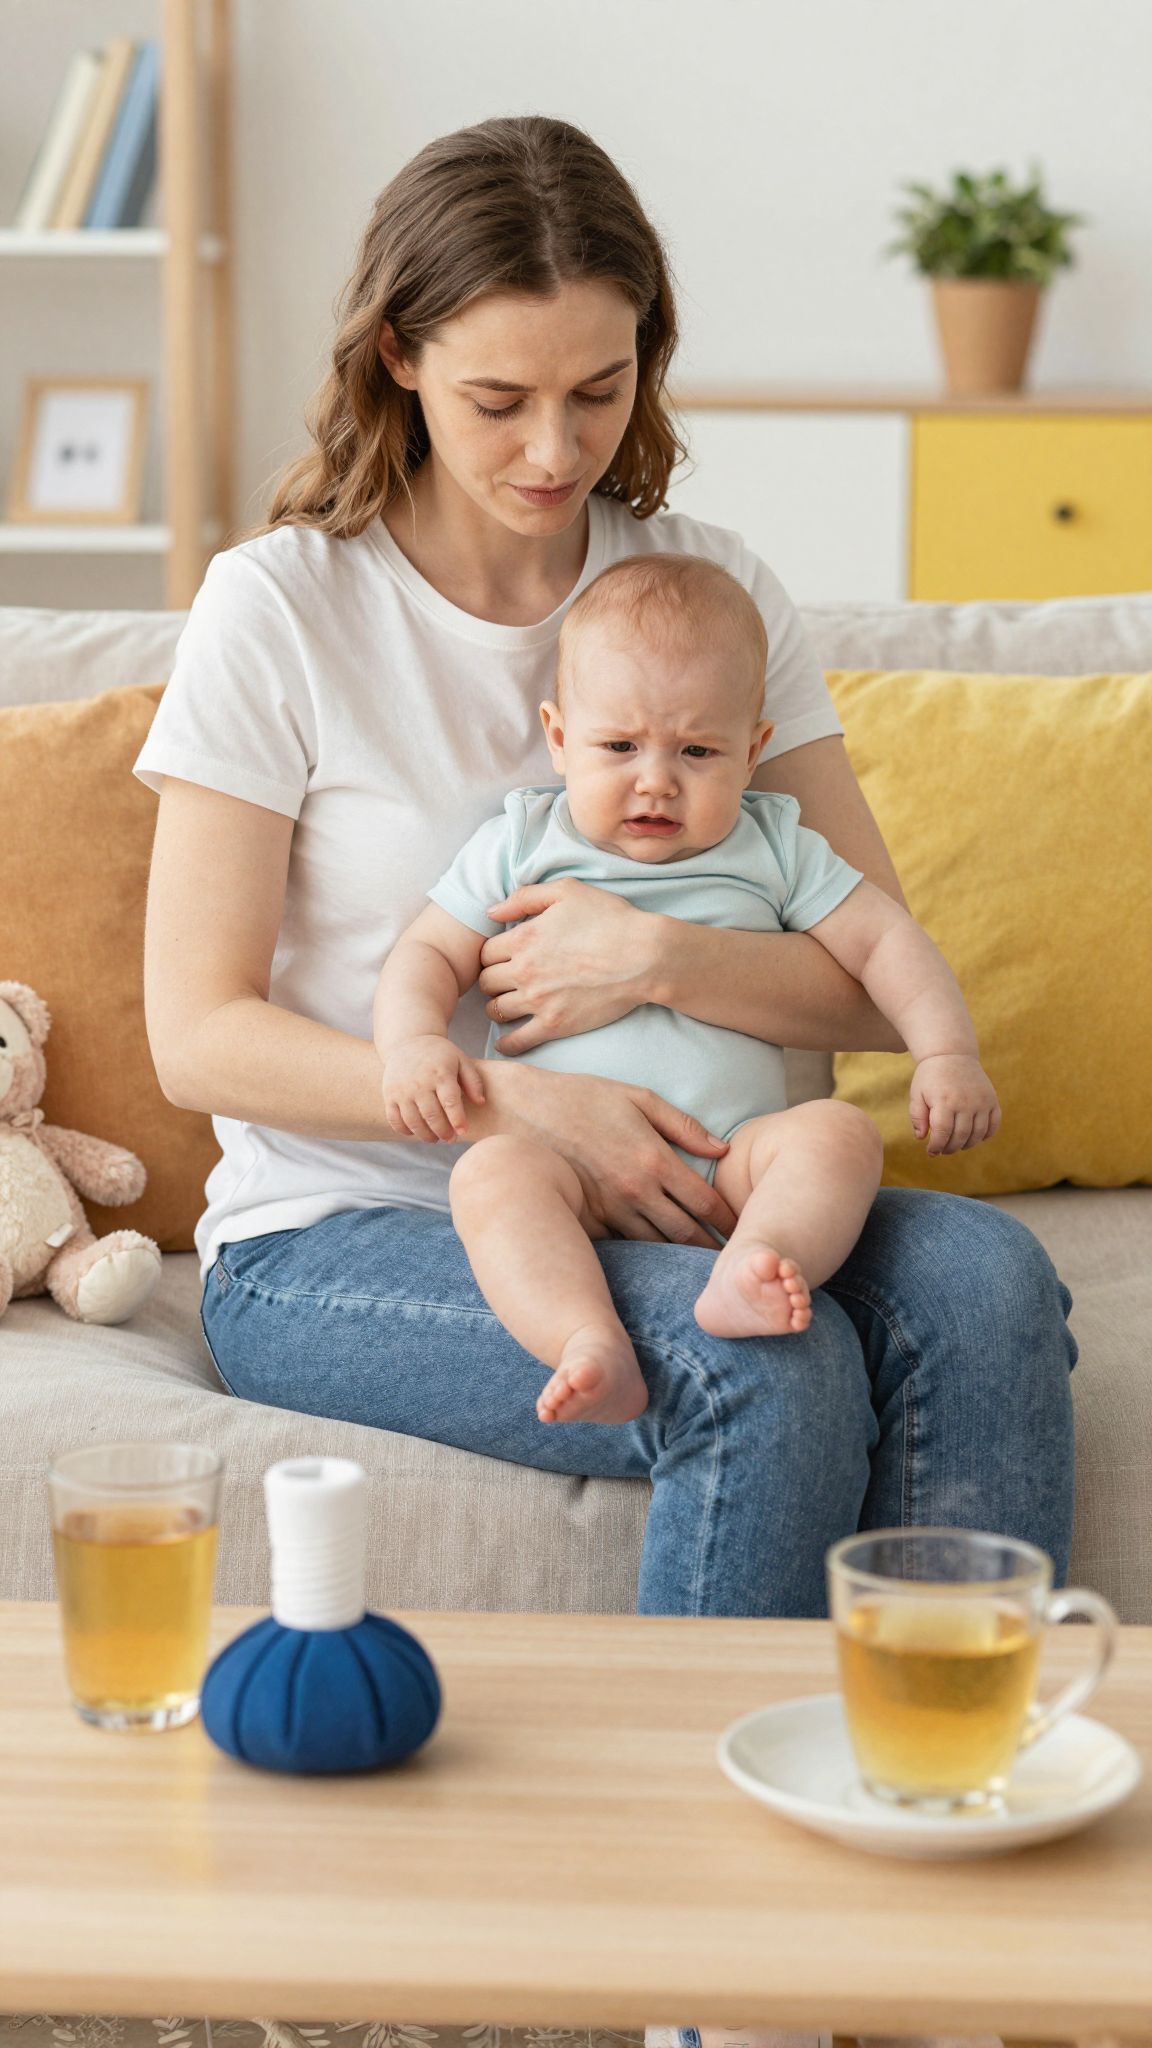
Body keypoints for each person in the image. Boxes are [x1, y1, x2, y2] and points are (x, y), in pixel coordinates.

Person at [136, 113, 1077, 1634]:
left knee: (985, 1284)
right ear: (398, 356)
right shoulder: (283, 609)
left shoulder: (702, 593)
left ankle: (959, 1782)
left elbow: (868, 980)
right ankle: (704, 1847)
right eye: (499, 399)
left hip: (704, 1185)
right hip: (353, 1227)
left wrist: (648, 960)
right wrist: (522, 1097)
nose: (557, 451)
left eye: (601, 389)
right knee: (761, 1366)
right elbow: (197, 1036)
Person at [375, 551, 1002, 1426]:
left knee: (839, 1134)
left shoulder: (773, 844)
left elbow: (887, 940)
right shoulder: (523, 840)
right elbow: (428, 956)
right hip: (567, 1167)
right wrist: (413, 1046)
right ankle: (584, 1339)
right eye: (619, 746)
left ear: (754, 751)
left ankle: (759, 1262)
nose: (656, 779)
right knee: (490, 1178)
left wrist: (946, 1051)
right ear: (559, 739)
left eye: (697, 750)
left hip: (732, 1163)